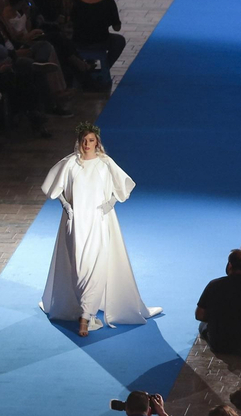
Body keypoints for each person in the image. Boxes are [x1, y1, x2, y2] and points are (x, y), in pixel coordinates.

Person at [40, 123, 162, 337]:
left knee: (96, 265)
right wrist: (67, 207)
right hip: (76, 222)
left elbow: (122, 187)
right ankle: (83, 310)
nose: (87, 144)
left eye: (91, 140)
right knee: (79, 266)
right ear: (79, 142)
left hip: (99, 220)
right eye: (84, 141)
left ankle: (85, 317)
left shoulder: (105, 163)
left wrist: (109, 204)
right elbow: (55, 189)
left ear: (97, 142)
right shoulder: (70, 164)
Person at [195, 250, 241, 358]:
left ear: (230, 265)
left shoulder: (214, 285)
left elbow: (199, 315)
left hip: (219, 344)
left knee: (203, 325)